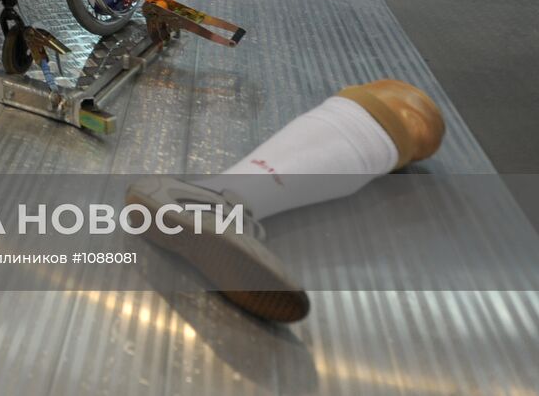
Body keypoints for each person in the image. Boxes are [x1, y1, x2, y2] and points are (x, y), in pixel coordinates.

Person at [128, 78, 444, 323]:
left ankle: (214, 198)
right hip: (384, 108)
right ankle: (221, 202)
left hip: (361, 107)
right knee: (414, 120)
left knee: (405, 120)